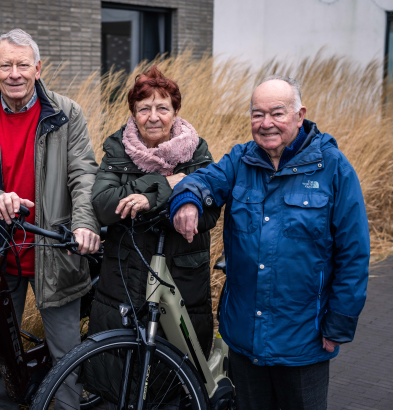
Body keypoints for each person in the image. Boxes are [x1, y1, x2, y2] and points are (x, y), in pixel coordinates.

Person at [170, 76, 370, 410]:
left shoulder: (334, 168)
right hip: (245, 337)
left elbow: (354, 255)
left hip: (304, 340)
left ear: (299, 114)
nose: (266, 124)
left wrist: (338, 325)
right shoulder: (241, 160)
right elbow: (205, 179)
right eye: (257, 114)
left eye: (277, 113)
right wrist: (188, 200)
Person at [0, 29, 100, 410]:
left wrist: (85, 224)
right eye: (6, 65)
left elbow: (84, 174)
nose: (15, 73)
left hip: (55, 251)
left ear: (38, 69)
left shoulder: (66, 113)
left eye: (23, 64)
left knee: (66, 355)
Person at [88, 66, 220, 357]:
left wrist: (147, 199)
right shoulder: (118, 149)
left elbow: (209, 213)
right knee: (120, 365)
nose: (153, 117)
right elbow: (104, 204)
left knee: (176, 368)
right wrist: (166, 183)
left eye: (163, 107)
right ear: (134, 114)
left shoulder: (196, 152)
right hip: (126, 273)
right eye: (144, 108)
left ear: (175, 112)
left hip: (181, 275)